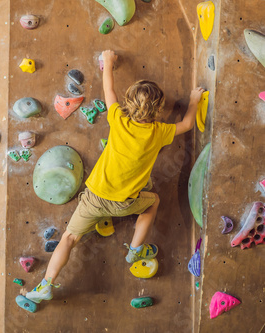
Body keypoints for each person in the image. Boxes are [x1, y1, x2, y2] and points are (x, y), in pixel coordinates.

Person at [25, 50, 205, 304]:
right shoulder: (159, 132)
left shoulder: (119, 120)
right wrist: (194, 99)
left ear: (128, 104)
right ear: (158, 110)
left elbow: (108, 92)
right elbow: (186, 124)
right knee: (152, 201)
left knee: (69, 238)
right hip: (123, 203)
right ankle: (134, 249)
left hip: (94, 198)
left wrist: (108, 63)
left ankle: (46, 284)